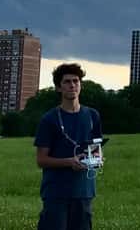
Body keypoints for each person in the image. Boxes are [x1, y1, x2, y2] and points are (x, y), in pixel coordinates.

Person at [34, 63, 103, 230]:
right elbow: (41, 160)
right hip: (57, 192)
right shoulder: (49, 119)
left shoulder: (92, 115)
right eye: (66, 82)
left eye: (76, 81)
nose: (72, 85)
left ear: (81, 85)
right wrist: (70, 162)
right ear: (58, 87)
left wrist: (96, 160)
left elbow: (96, 148)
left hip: (84, 192)